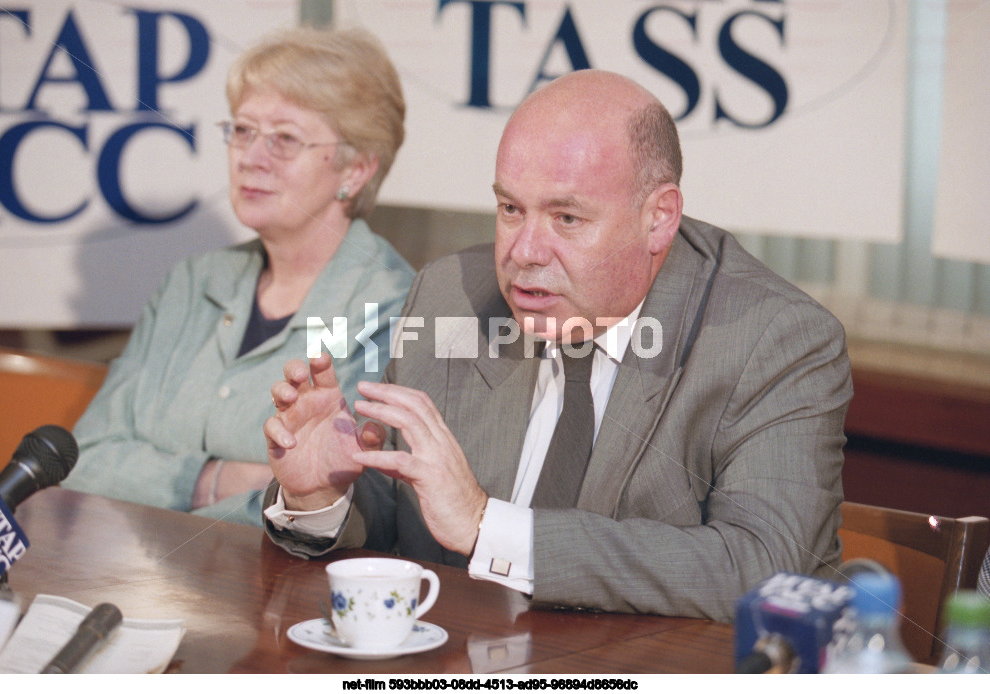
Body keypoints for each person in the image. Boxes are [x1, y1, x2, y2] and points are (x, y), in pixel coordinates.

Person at [261, 70, 852, 621]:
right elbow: (405, 525)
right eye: (511, 209)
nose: (524, 251)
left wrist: (487, 526)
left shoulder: (775, 339)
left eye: (566, 218)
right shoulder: (452, 297)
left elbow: (769, 569)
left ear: (659, 218)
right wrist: (320, 495)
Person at [62, 26, 415, 526]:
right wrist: (217, 480)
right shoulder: (191, 281)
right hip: (125, 578)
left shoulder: (394, 304)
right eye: (244, 131)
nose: (251, 157)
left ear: (355, 168)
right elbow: (85, 458)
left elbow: (340, 507)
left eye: (284, 139)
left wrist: (157, 483)